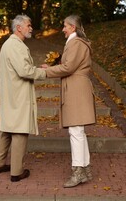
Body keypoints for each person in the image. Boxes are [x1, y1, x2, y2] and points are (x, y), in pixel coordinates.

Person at [42, 14, 96, 188]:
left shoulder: (76, 43)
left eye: (65, 26)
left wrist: (46, 72)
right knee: (78, 131)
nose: (63, 29)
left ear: (72, 27)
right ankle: (85, 170)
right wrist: (52, 67)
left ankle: (78, 172)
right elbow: (69, 64)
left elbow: (69, 67)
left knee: (76, 132)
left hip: (76, 89)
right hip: (75, 88)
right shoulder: (75, 43)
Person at [0, 14, 46, 182]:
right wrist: (44, 72)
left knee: (7, 129)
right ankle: (16, 172)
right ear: (19, 27)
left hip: (11, 94)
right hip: (18, 96)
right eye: (29, 25)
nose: (31, 27)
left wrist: (34, 68)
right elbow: (24, 71)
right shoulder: (15, 45)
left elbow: (21, 68)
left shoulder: (10, 44)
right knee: (20, 131)